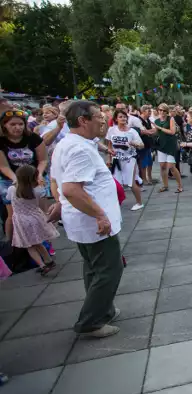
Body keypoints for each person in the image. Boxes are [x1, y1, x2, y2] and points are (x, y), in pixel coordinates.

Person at [49, 101, 124, 338]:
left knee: (93, 267)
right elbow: (71, 188)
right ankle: (91, 321)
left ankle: (103, 310)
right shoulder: (78, 149)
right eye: (98, 116)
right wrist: (100, 215)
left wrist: (61, 203)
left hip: (83, 220)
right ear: (83, 121)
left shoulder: (70, 144)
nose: (103, 120)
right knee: (109, 269)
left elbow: (57, 182)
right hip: (92, 223)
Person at [0, 110, 48, 238]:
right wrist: (16, 179)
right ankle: (11, 242)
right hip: (9, 179)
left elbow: (43, 160)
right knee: (13, 214)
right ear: (4, 125)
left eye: (20, 124)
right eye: (13, 124)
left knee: (41, 212)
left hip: (34, 177)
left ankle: (46, 239)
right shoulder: (1, 140)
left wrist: (39, 174)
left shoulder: (33, 138)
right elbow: (3, 166)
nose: (17, 127)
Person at [6, 165, 59, 274]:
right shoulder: (38, 190)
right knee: (37, 242)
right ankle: (48, 261)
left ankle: (42, 265)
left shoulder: (12, 189)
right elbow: (40, 205)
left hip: (21, 221)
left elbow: (8, 200)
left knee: (29, 245)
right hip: (35, 218)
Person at [106, 109, 145, 211]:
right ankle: (116, 203)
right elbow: (109, 146)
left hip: (130, 159)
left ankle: (139, 202)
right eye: (120, 117)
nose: (123, 118)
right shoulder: (111, 130)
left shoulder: (132, 131)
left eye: (124, 117)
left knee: (131, 182)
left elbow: (141, 145)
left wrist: (134, 143)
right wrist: (109, 159)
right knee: (115, 183)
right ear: (116, 119)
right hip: (117, 160)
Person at [152, 103, 183, 193]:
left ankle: (180, 185)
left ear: (167, 111)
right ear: (158, 111)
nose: (162, 112)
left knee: (171, 166)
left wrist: (160, 128)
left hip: (170, 145)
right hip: (161, 145)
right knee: (162, 166)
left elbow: (172, 132)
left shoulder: (171, 119)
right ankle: (165, 185)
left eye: (164, 110)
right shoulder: (156, 121)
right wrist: (146, 131)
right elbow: (156, 132)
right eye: (160, 110)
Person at [137, 105, 156, 185]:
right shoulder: (139, 120)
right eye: (149, 112)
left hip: (149, 143)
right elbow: (143, 131)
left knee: (150, 161)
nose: (150, 113)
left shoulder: (147, 119)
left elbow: (151, 130)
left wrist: (151, 131)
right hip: (142, 144)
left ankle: (149, 177)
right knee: (144, 162)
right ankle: (144, 179)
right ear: (143, 111)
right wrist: (151, 131)